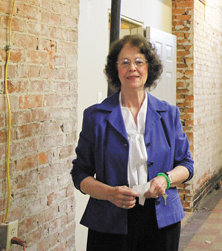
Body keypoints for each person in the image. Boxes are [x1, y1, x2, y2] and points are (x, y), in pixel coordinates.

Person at [71, 34, 193, 251]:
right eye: (124, 62)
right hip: (109, 220)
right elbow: (80, 174)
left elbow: (186, 165)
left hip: (161, 219)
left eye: (139, 61)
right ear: (115, 69)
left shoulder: (169, 114)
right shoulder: (95, 117)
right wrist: (109, 193)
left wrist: (166, 179)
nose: (132, 68)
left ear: (149, 67)